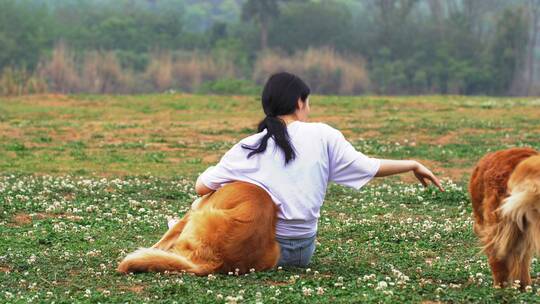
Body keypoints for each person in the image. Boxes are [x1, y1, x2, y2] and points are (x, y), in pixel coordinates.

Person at [193, 72, 444, 268]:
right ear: (299, 102)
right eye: (308, 102)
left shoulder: (250, 145)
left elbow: (202, 187)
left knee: (218, 195)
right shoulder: (323, 134)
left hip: (263, 250)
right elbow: (368, 166)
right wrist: (412, 164)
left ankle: (187, 244)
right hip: (303, 251)